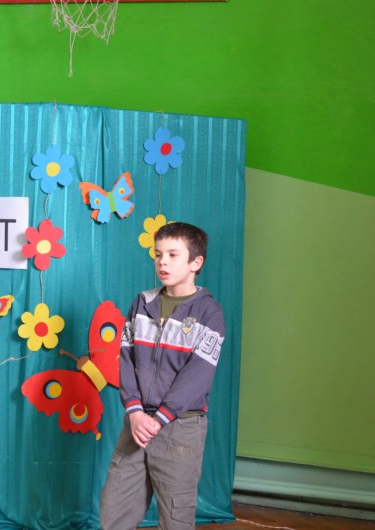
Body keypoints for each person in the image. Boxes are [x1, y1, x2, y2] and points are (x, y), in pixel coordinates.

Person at [99, 222, 225, 530]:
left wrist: (161, 418)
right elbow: (126, 360)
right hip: (137, 422)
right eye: (158, 255)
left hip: (180, 428)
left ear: (196, 263)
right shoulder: (142, 303)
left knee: (175, 516)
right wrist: (135, 412)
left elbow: (197, 376)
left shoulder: (209, 313)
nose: (162, 262)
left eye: (172, 254)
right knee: (114, 508)